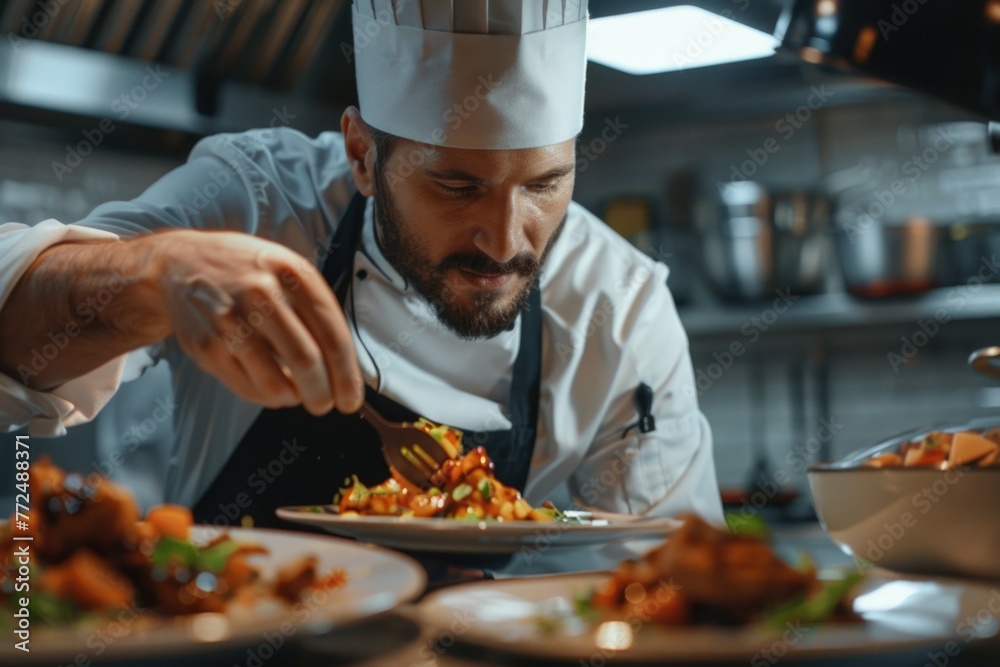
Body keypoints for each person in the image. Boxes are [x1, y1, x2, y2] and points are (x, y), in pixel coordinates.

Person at [0, 0, 722, 572]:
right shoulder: (258, 201)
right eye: (456, 185)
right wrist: (153, 273)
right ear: (363, 155)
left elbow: (675, 585)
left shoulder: (618, 307)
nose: (505, 240)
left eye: (544, 184)